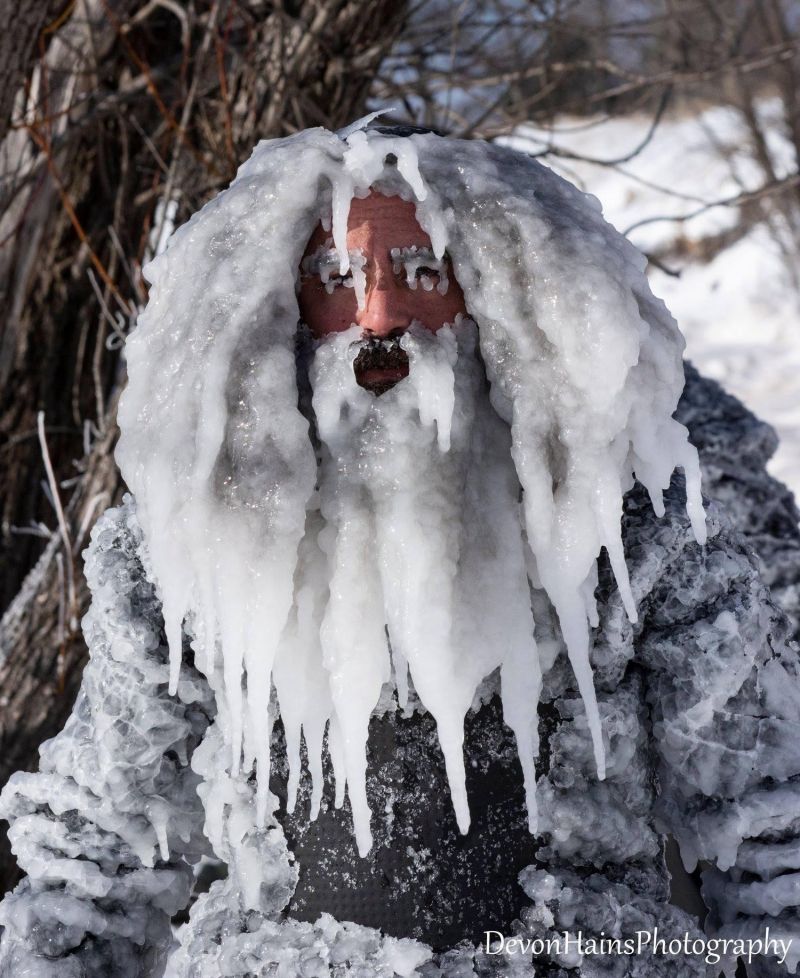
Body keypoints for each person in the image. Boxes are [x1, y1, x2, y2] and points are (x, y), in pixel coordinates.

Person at [1, 121, 799, 978]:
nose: (379, 316)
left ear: (497, 290)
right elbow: (96, 849)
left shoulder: (625, 524)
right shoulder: (184, 539)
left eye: (423, 273)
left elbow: (766, 823)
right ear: (278, 307)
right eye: (335, 280)